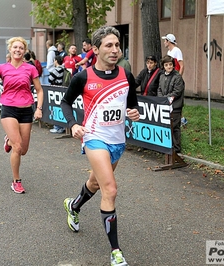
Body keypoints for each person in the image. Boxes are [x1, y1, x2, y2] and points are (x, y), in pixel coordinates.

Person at [60, 26, 140, 266]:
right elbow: (66, 102)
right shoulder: (83, 76)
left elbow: (132, 105)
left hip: (118, 141)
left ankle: (73, 205)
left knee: (95, 183)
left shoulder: (126, 75)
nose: (115, 50)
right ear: (95, 49)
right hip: (94, 137)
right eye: (109, 45)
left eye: (117, 45)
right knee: (110, 189)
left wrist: (133, 113)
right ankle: (116, 251)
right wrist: (73, 124)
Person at [0, 36, 43, 194]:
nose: (18, 50)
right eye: (15, 47)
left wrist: (39, 108)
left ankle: (8, 139)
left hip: (26, 109)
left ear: (25, 51)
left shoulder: (30, 68)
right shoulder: (1, 68)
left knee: (24, 150)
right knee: (17, 147)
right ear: (10, 50)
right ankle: (16, 181)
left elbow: (39, 90)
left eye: (21, 48)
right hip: (9, 109)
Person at [157, 55, 185, 153]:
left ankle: (176, 148)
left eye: (170, 64)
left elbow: (177, 91)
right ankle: (168, 146)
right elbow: (159, 89)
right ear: (163, 66)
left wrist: (166, 98)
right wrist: (162, 98)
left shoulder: (177, 77)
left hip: (175, 106)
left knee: (175, 127)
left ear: (173, 65)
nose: (169, 66)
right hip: (165, 105)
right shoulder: (162, 76)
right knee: (166, 126)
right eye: (166, 65)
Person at [49, 55, 66, 134]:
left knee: (56, 107)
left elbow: (50, 79)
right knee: (62, 108)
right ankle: (62, 126)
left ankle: (57, 127)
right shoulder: (64, 69)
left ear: (56, 61)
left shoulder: (57, 69)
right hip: (63, 89)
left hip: (56, 89)